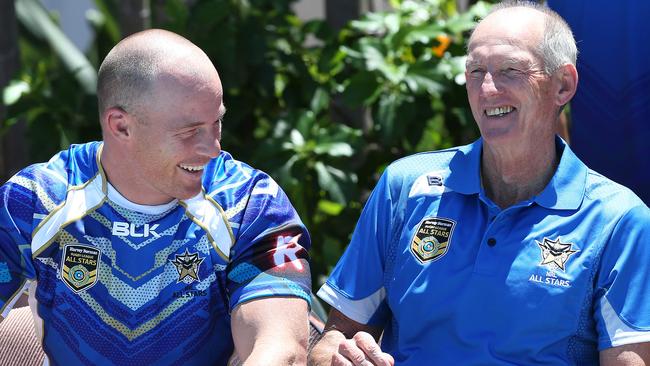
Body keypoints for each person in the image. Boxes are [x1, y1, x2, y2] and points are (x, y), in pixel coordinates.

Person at [308, 2, 650, 365]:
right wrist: (340, 356)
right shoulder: (405, 187)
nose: (487, 89)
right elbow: (334, 341)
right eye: (475, 71)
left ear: (562, 85)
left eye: (510, 70)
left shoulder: (619, 220)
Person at [0, 29, 312, 365]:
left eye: (216, 123)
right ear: (121, 126)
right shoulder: (35, 199)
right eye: (190, 131)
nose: (212, 148)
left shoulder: (250, 203)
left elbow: (280, 348)